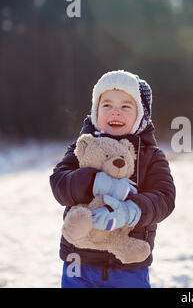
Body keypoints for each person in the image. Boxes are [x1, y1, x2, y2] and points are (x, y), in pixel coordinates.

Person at [49, 70, 176, 288]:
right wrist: (93, 182)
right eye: (106, 105)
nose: (115, 112)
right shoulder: (82, 147)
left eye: (125, 106)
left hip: (128, 263)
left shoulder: (150, 156)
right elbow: (60, 183)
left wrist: (133, 211)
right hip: (78, 259)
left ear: (141, 116)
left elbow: (164, 198)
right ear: (96, 112)